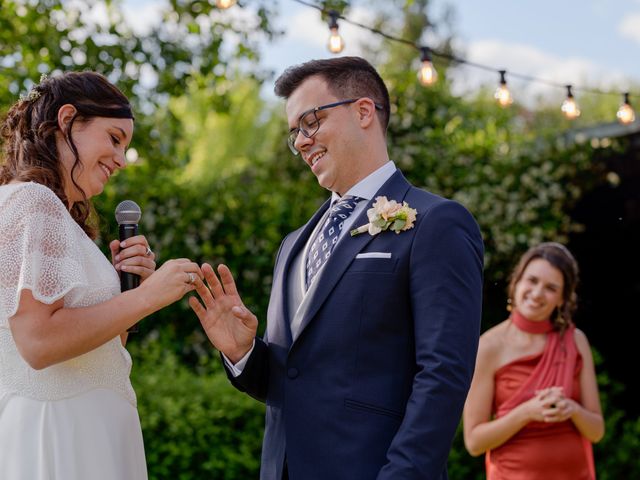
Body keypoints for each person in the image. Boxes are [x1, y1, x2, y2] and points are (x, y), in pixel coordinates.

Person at [189, 56, 484, 479]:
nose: (302, 142)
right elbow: (292, 381)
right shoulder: (292, 246)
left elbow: (444, 373)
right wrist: (244, 353)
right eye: (295, 134)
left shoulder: (436, 222)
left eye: (310, 122)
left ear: (364, 111)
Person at [0, 71, 203, 480]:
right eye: (114, 138)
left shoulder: (55, 216)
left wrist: (126, 291)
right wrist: (148, 297)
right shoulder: (34, 201)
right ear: (68, 120)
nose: (121, 159)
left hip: (93, 427)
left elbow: (102, 349)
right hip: (62, 432)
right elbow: (38, 343)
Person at [463, 242, 605, 480]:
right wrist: (527, 412)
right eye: (532, 280)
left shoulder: (575, 340)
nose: (537, 293)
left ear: (562, 299)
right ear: (516, 282)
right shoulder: (488, 347)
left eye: (550, 287)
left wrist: (573, 410)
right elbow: (474, 442)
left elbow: (597, 431)